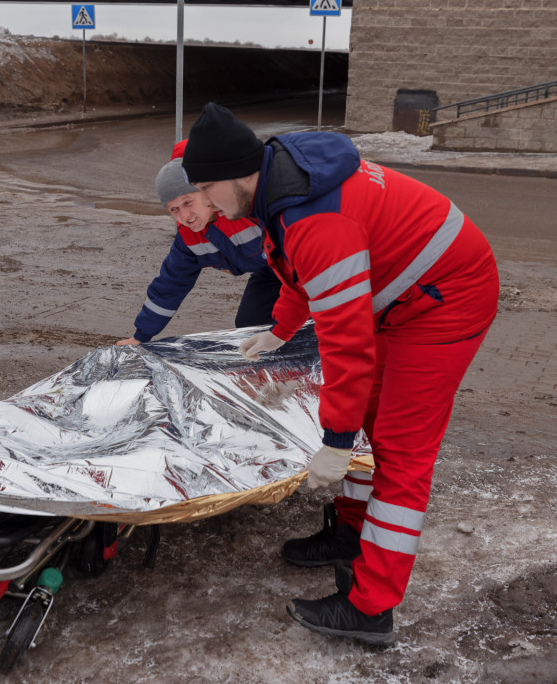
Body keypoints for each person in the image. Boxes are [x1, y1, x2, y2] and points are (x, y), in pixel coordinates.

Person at [181, 103, 499, 646]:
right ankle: (351, 533)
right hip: (401, 299)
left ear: (239, 175)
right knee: (371, 418)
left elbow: (345, 343)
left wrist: (333, 439)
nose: (205, 206)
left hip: (445, 301)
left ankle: (370, 608)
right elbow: (297, 271)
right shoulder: (278, 186)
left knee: (401, 452)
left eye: (207, 190)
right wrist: (280, 329)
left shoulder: (317, 220)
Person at [116, 140, 286, 346]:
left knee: (315, 315)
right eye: (174, 209)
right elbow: (171, 285)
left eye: (188, 202)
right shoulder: (188, 239)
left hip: (303, 264)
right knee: (250, 325)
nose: (185, 216)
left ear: (204, 192)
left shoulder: (243, 208)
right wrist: (140, 336)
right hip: (270, 271)